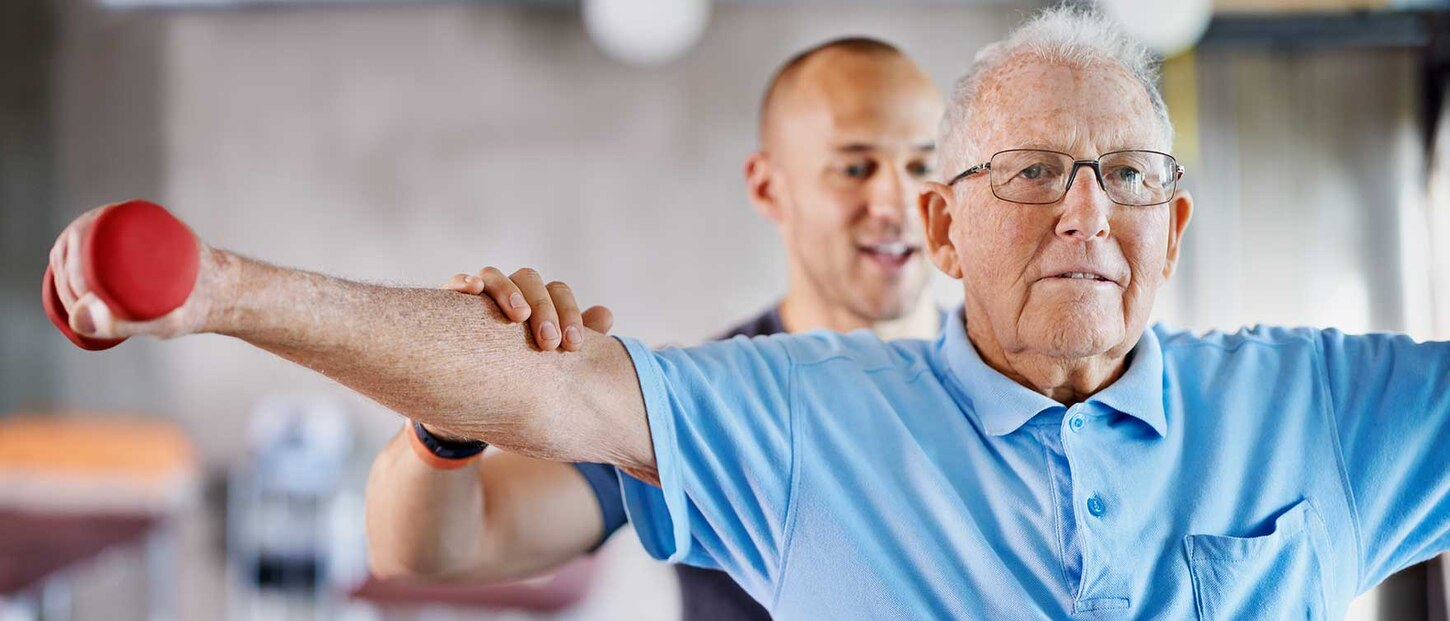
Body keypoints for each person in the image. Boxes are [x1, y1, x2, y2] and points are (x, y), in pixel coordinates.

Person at [45, 6, 1450, 619]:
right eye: (1025, 174)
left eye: (1123, 175)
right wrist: (221, 290)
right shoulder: (777, 407)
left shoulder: (1307, 406)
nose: (1082, 210)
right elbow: (492, 458)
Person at [362, 37, 944, 621]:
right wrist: (450, 417)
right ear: (769, 188)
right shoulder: (691, 402)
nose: (896, 202)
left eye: (922, 165)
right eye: (854, 167)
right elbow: (431, 552)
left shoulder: (1011, 381)